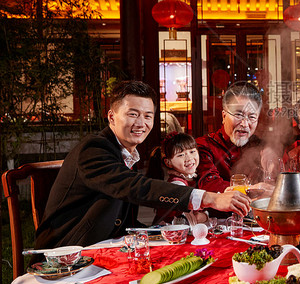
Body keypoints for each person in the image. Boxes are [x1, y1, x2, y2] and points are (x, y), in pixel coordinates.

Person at [35, 81, 251, 250]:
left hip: (108, 247)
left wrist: (165, 229)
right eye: (133, 114)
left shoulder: (126, 153)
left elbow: (127, 217)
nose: (141, 123)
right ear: (111, 116)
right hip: (69, 254)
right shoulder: (94, 148)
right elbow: (134, 186)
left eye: (148, 116)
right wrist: (209, 197)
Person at [196, 82, 274, 193]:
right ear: (224, 116)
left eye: (251, 117)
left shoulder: (260, 146)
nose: (245, 124)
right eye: (238, 115)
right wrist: (253, 189)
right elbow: (210, 185)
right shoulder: (204, 146)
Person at [152, 132, 208, 225]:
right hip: (169, 233)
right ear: (168, 162)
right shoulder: (176, 184)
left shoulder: (196, 178)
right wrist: (204, 217)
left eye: (192, 151)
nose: (189, 158)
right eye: (181, 155)